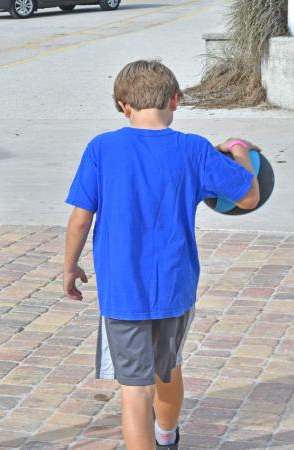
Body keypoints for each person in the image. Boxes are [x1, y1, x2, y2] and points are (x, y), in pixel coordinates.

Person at [62, 59, 259, 450]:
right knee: (168, 368)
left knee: (135, 390)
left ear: (124, 106)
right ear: (175, 100)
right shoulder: (194, 149)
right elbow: (249, 196)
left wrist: (69, 267)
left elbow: (81, 219)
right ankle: (167, 437)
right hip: (174, 285)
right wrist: (237, 150)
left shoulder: (102, 148)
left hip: (123, 292)